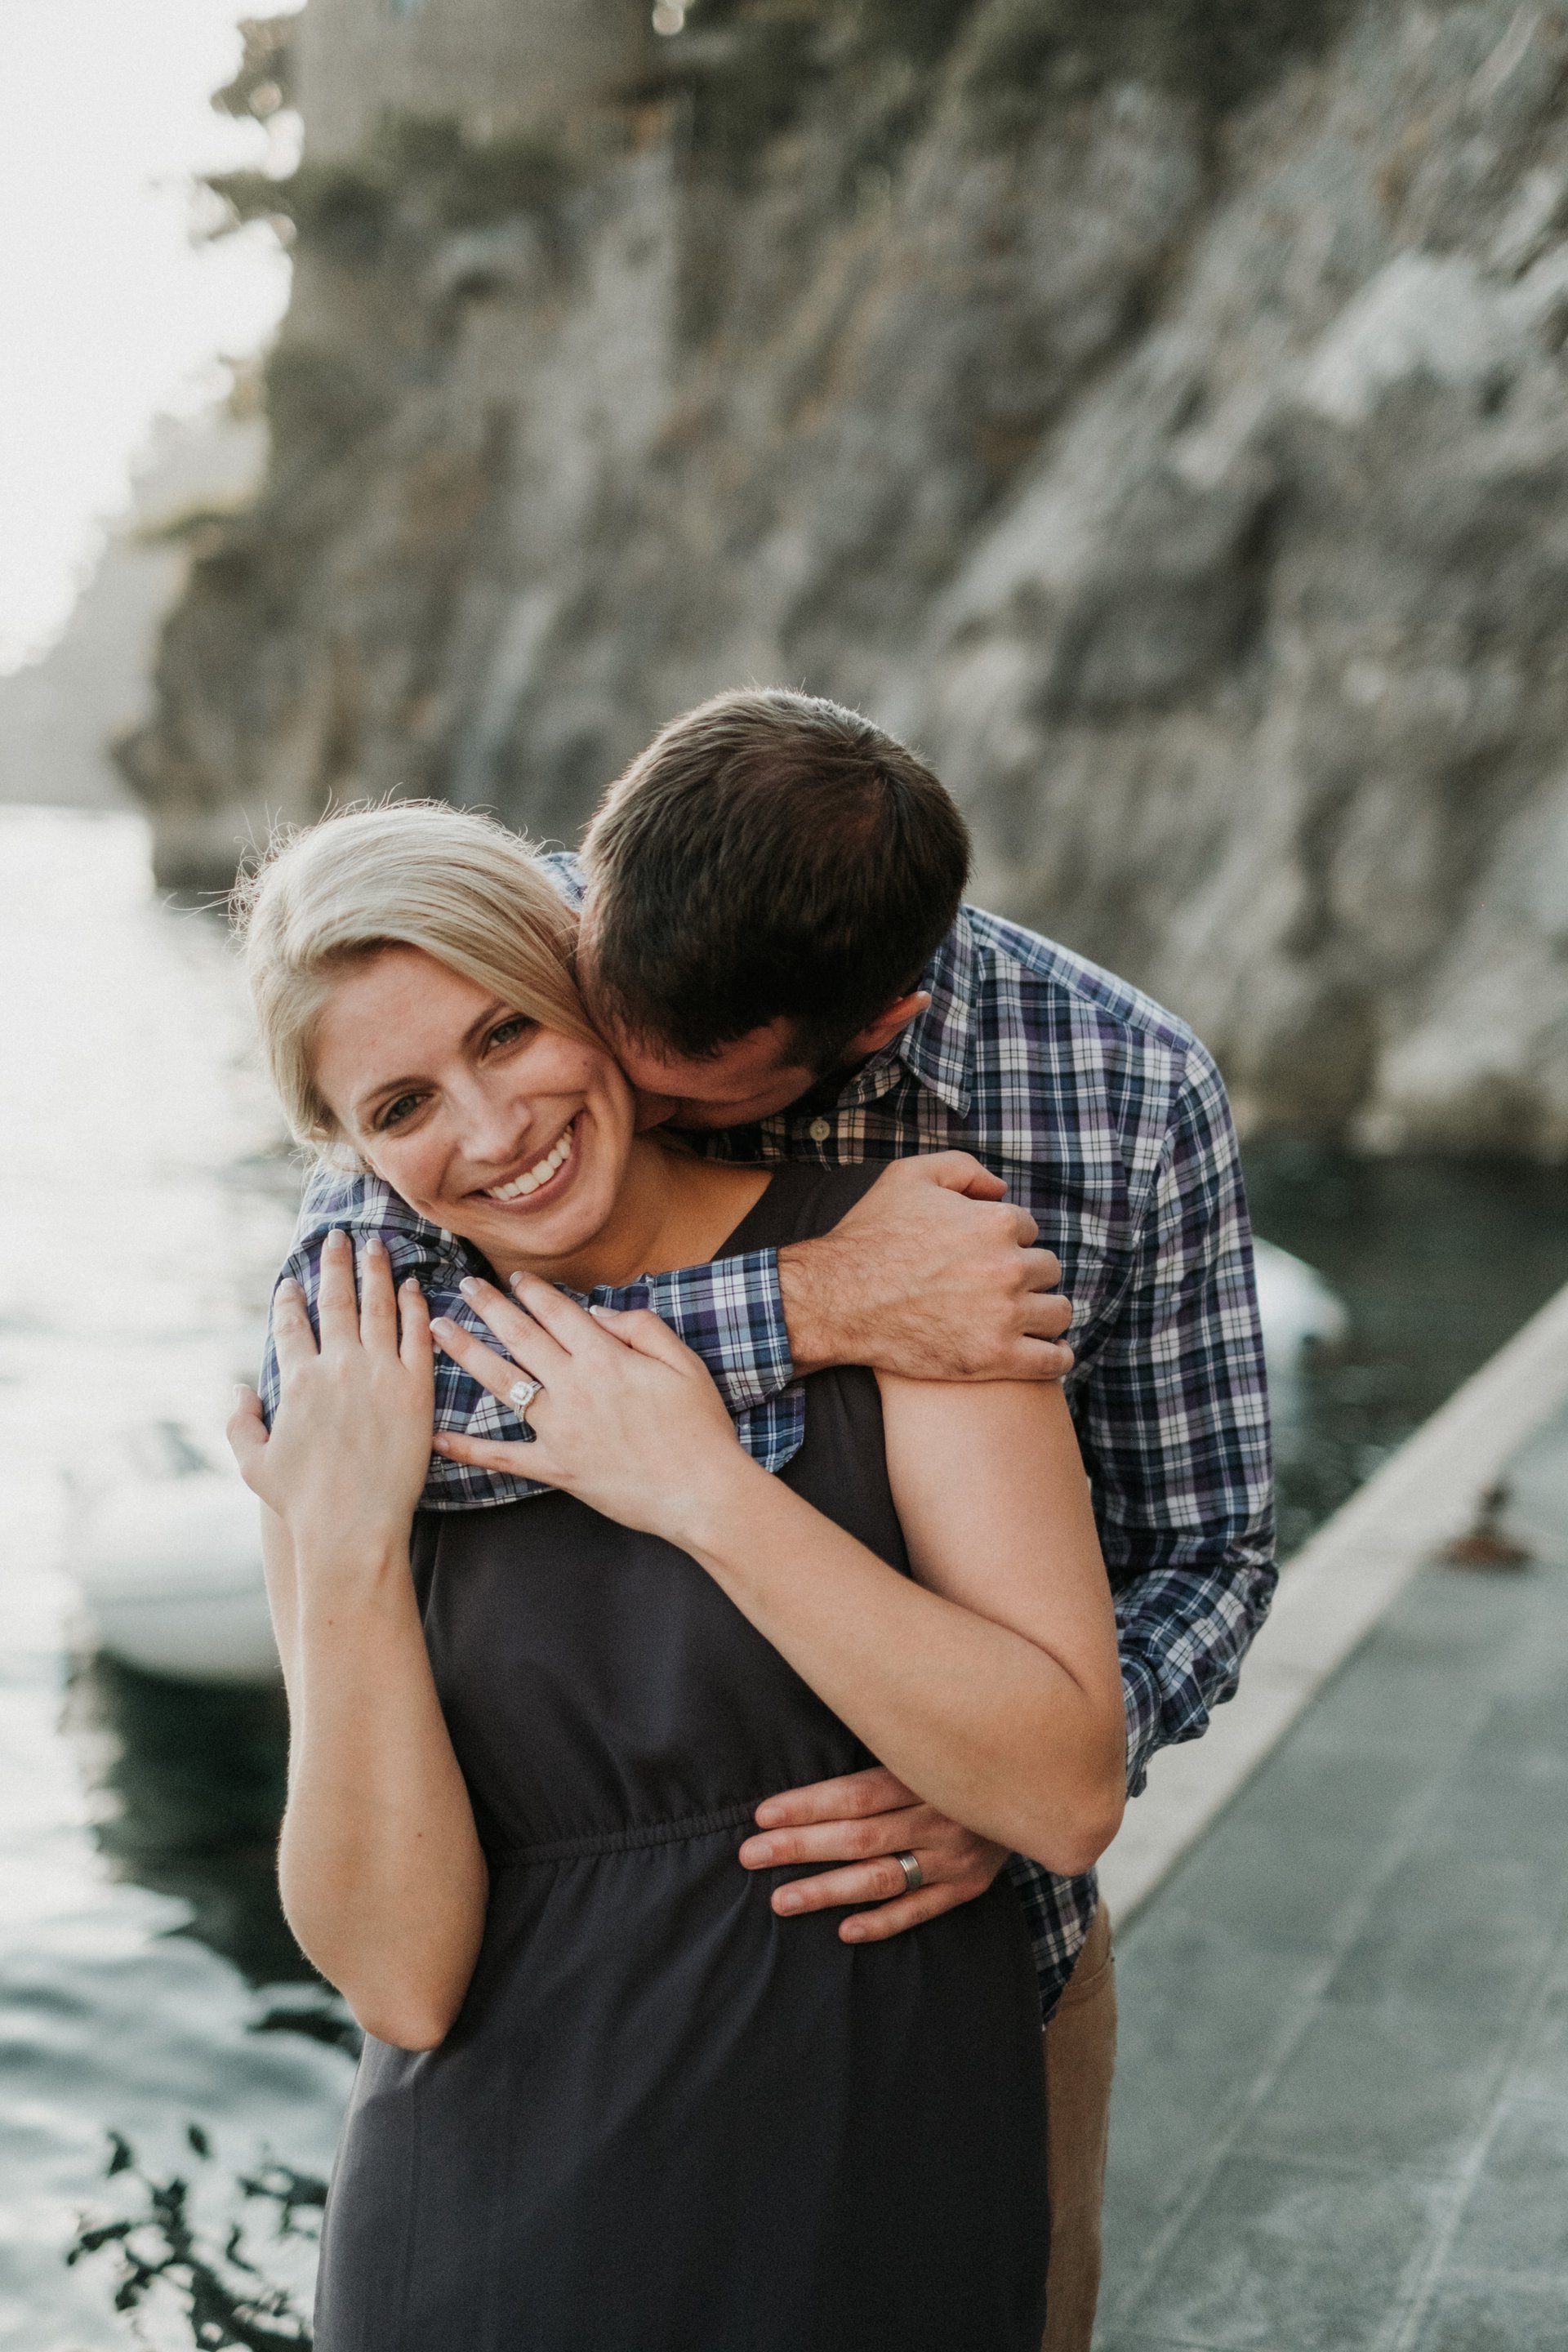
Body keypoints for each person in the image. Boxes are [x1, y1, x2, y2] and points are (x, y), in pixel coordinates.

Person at [263, 691, 1276, 2350]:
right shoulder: (450, 980)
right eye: (587, 1005)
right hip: (511, 2134)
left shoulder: (1086, 1119)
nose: (518, 1129)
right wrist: (799, 1308)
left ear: (874, 1034)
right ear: (583, 904)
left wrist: (991, 1790)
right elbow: (337, 1418)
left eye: (533, 1041)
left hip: (942, 1991)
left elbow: (1203, 1554)